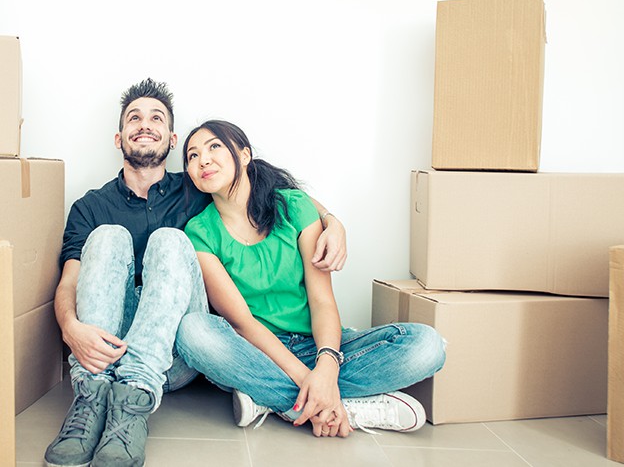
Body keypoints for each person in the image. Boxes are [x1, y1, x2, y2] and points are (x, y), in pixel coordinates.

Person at [44, 81, 348, 467]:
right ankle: (90, 399)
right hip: (103, 352)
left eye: (156, 118)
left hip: (173, 355)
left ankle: (133, 400)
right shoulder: (90, 207)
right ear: (119, 138)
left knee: (171, 239)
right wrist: (70, 327)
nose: (145, 124)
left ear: (171, 140)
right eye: (134, 118)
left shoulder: (198, 186)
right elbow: (69, 282)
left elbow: (266, 189)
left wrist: (332, 221)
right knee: (107, 236)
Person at [176, 119, 446, 438]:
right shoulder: (199, 232)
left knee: (427, 345)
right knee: (194, 332)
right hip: (255, 352)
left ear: (244, 155)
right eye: (192, 156)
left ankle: (274, 400)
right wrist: (311, 381)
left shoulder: (294, 207)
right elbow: (242, 323)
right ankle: (334, 406)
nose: (203, 160)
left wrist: (327, 367)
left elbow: (322, 302)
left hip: (315, 344)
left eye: (214, 147)